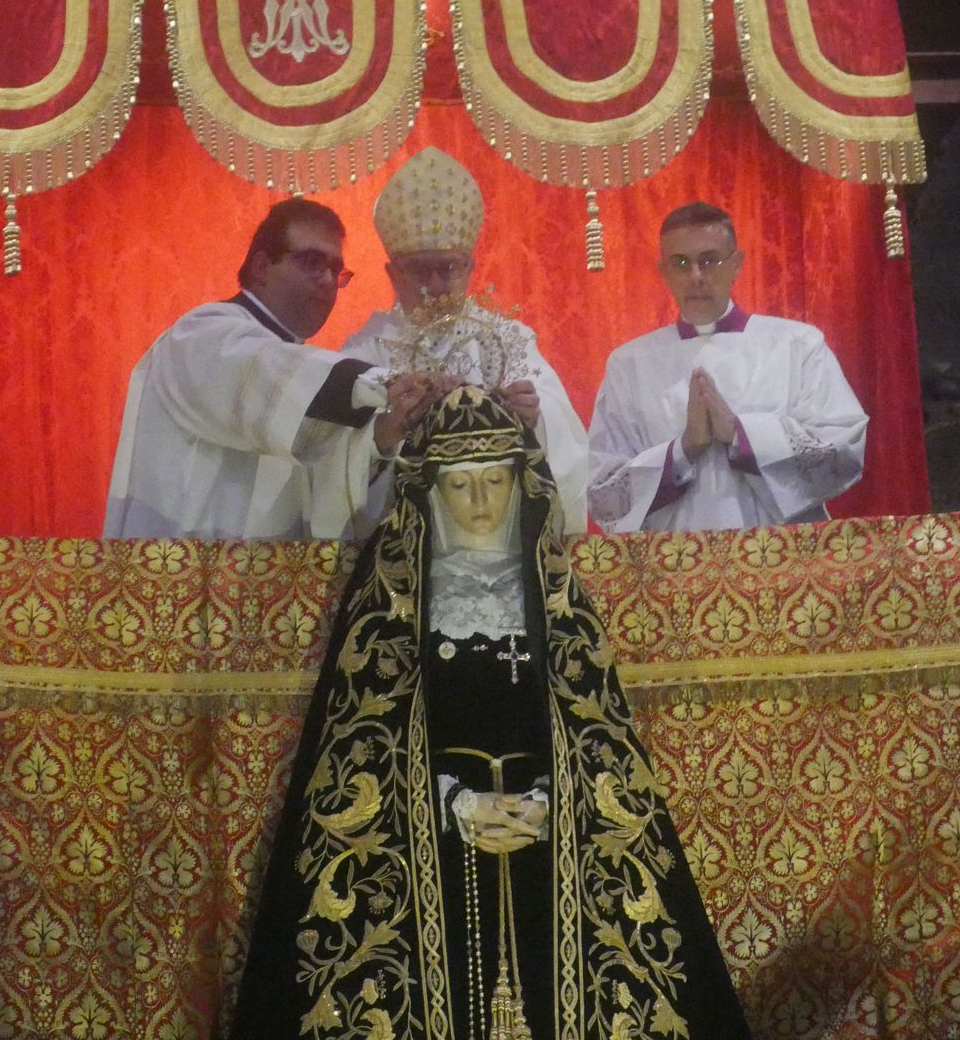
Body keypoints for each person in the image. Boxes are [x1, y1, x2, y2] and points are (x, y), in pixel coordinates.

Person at [228, 385, 752, 1040]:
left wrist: (547, 798)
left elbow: (600, 743)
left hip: (550, 842)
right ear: (431, 492)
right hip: (427, 865)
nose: (479, 503)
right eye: (460, 484)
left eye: (495, 480)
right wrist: (451, 802)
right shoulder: (389, 605)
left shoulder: (560, 600)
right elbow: (360, 749)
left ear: (520, 481)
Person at [103, 198, 441, 540]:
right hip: (179, 573)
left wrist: (382, 435)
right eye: (312, 261)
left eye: (336, 271)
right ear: (262, 267)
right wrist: (390, 384)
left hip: (264, 582)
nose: (327, 280)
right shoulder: (202, 335)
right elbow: (271, 374)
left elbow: (321, 478)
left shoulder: (299, 371)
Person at [343, 146, 590, 532]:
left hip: (497, 538)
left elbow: (565, 439)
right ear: (392, 275)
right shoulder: (366, 351)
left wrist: (528, 419)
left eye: (449, 268)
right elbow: (336, 464)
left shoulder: (510, 341)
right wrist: (389, 429)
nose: (436, 286)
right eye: (419, 271)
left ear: (470, 267)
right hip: (403, 541)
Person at [586, 201, 868, 532]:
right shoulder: (629, 364)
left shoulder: (797, 345)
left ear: (737, 264)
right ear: (663, 271)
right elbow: (603, 491)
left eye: (709, 260)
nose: (696, 277)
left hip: (780, 559)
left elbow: (843, 449)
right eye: (681, 263)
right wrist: (684, 448)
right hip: (671, 565)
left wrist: (740, 434)